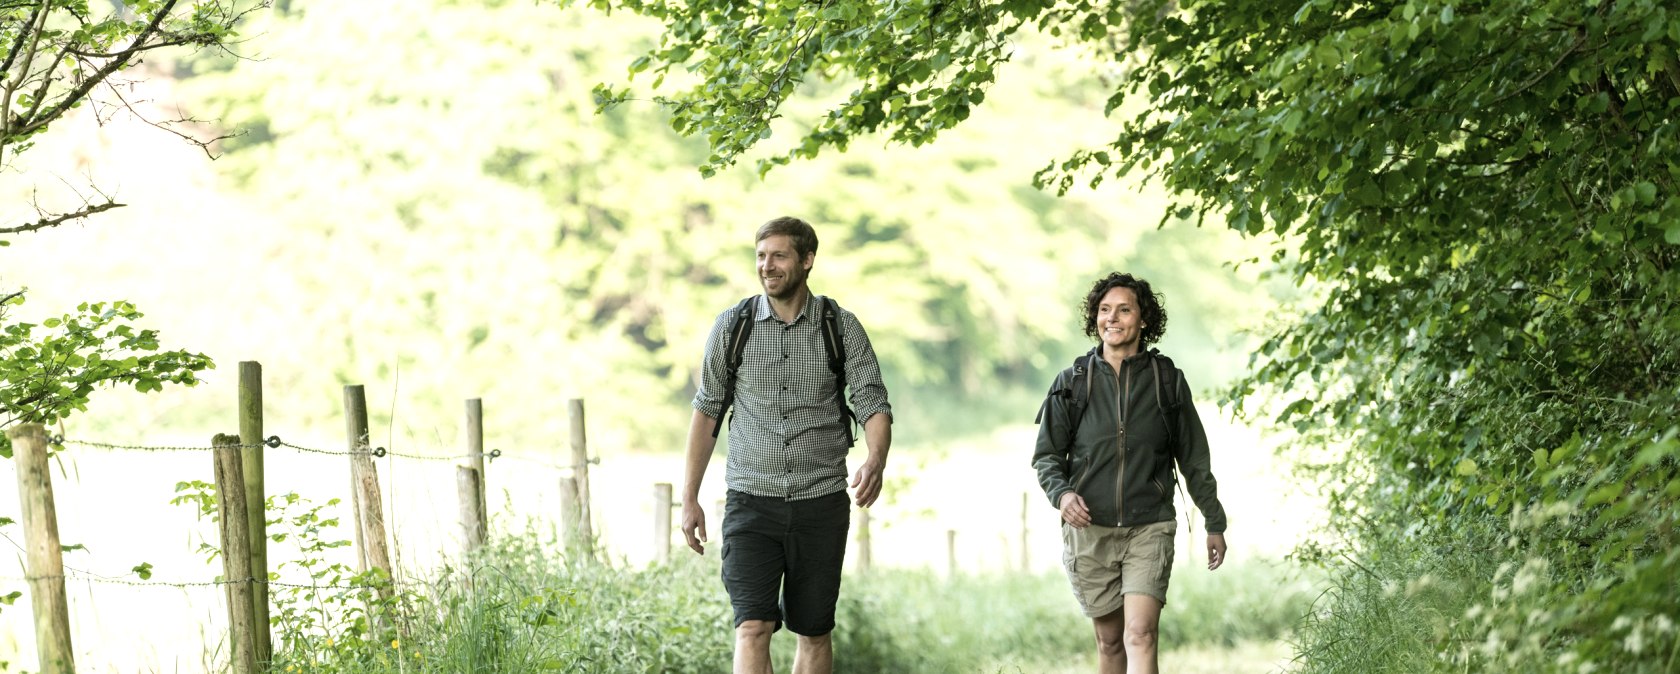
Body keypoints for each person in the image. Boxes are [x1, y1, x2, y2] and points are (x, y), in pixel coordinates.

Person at [680, 216, 893, 674]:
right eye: (761, 256)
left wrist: (876, 458)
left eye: (778, 255)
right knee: (752, 627)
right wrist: (689, 497)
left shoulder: (840, 327)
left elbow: (873, 402)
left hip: (820, 503)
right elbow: (707, 410)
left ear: (807, 260)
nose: (767, 265)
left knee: (813, 632)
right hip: (751, 502)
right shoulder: (732, 326)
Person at [1031, 272, 1228, 674]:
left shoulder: (1167, 381)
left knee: (1140, 634)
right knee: (1109, 642)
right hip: (1090, 530)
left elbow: (1194, 458)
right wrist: (1063, 495)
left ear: (1143, 318)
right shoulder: (1072, 383)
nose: (1112, 318)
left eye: (1124, 310)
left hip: (1149, 526)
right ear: (1095, 318)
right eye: (1105, 310)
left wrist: (1214, 521)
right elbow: (1046, 456)